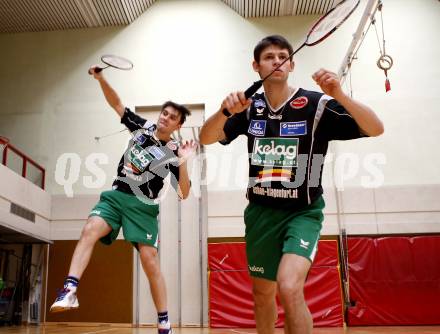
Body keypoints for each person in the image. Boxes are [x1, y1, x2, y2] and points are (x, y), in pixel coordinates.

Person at [199, 35, 384, 334]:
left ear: (292, 64)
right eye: (269, 57)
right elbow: (205, 138)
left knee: (289, 286)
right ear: (256, 66)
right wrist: (224, 112)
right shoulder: (248, 107)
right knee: (262, 296)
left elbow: (375, 128)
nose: (277, 61)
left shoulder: (316, 105)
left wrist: (340, 94)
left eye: (283, 56)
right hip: (260, 213)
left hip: (302, 213)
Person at [50, 65, 198, 334]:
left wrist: (184, 163)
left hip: (143, 207)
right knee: (89, 229)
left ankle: (164, 321)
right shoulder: (141, 128)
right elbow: (116, 103)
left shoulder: (174, 152)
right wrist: (101, 78)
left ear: (179, 124)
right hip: (117, 195)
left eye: (172, 117)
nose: (166, 118)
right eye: (164, 113)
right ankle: (70, 288)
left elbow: (184, 193)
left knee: (149, 260)